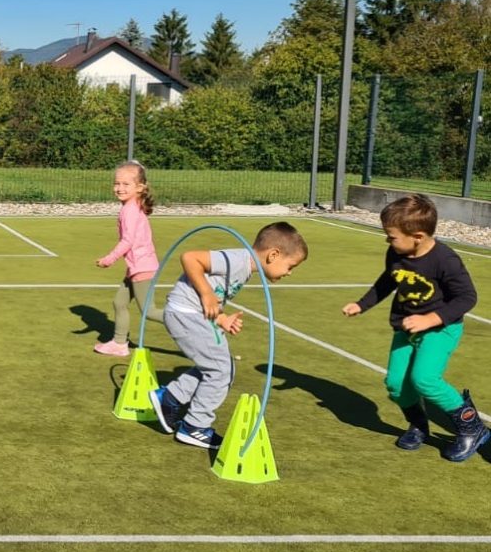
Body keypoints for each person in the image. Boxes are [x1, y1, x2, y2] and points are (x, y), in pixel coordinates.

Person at [342, 194, 489, 462]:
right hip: (406, 329)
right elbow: (388, 281)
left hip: (440, 329)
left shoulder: (445, 260)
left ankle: (472, 428)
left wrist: (431, 318)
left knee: (425, 379)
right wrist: (362, 304)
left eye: (392, 236)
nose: (388, 241)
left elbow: (467, 297)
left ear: (418, 236)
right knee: (396, 384)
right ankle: (419, 426)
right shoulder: (397, 253)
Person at [149, 222, 308, 448]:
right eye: (290, 266)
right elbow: (189, 258)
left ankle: (170, 398)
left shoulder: (245, 268)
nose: (289, 273)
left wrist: (222, 318)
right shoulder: (236, 260)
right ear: (273, 255)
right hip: (185, 313)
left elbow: (216, 296)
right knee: (220, 369)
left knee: (220, 367)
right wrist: (206, 294)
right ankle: (194, 426)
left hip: (194, 314)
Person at [94, 160, 163, 357]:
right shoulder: (131, 206)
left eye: (126, 184)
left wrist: (110, 258)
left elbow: (128, 241)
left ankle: (195, 322)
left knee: (149, 311)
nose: (119, 188)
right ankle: (119, 343)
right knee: (119, 303)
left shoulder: (130, 210)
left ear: (139, 187)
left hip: (142, 268)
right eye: (117, 183)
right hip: (135, 266)